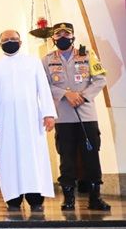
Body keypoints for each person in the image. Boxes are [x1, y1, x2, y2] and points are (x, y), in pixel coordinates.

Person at [0, 30, 56, 212]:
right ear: (0, 44)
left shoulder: (33, 63)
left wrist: (48, 113)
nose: (9, 42)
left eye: (13, 39)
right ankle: (13, 199)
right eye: (6, 40)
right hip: (4, 122)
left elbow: (43, 89)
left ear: (20, 42)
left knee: (34, 158)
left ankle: (35, 198)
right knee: (8, 158)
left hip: (31, 120)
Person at [42, 22, 110, 211]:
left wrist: (83, 96)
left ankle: (95, 197)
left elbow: (100, 79)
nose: (62, 37)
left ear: (72, 36)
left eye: (66, 34)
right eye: (58, 34)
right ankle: (69, 198)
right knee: (67, 157)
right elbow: (43, 85)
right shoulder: (47, 60)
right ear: (53, 38)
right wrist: (65, 93)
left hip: (86, 115)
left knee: (91, 156)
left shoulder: (87, 55)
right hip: (63, 117)